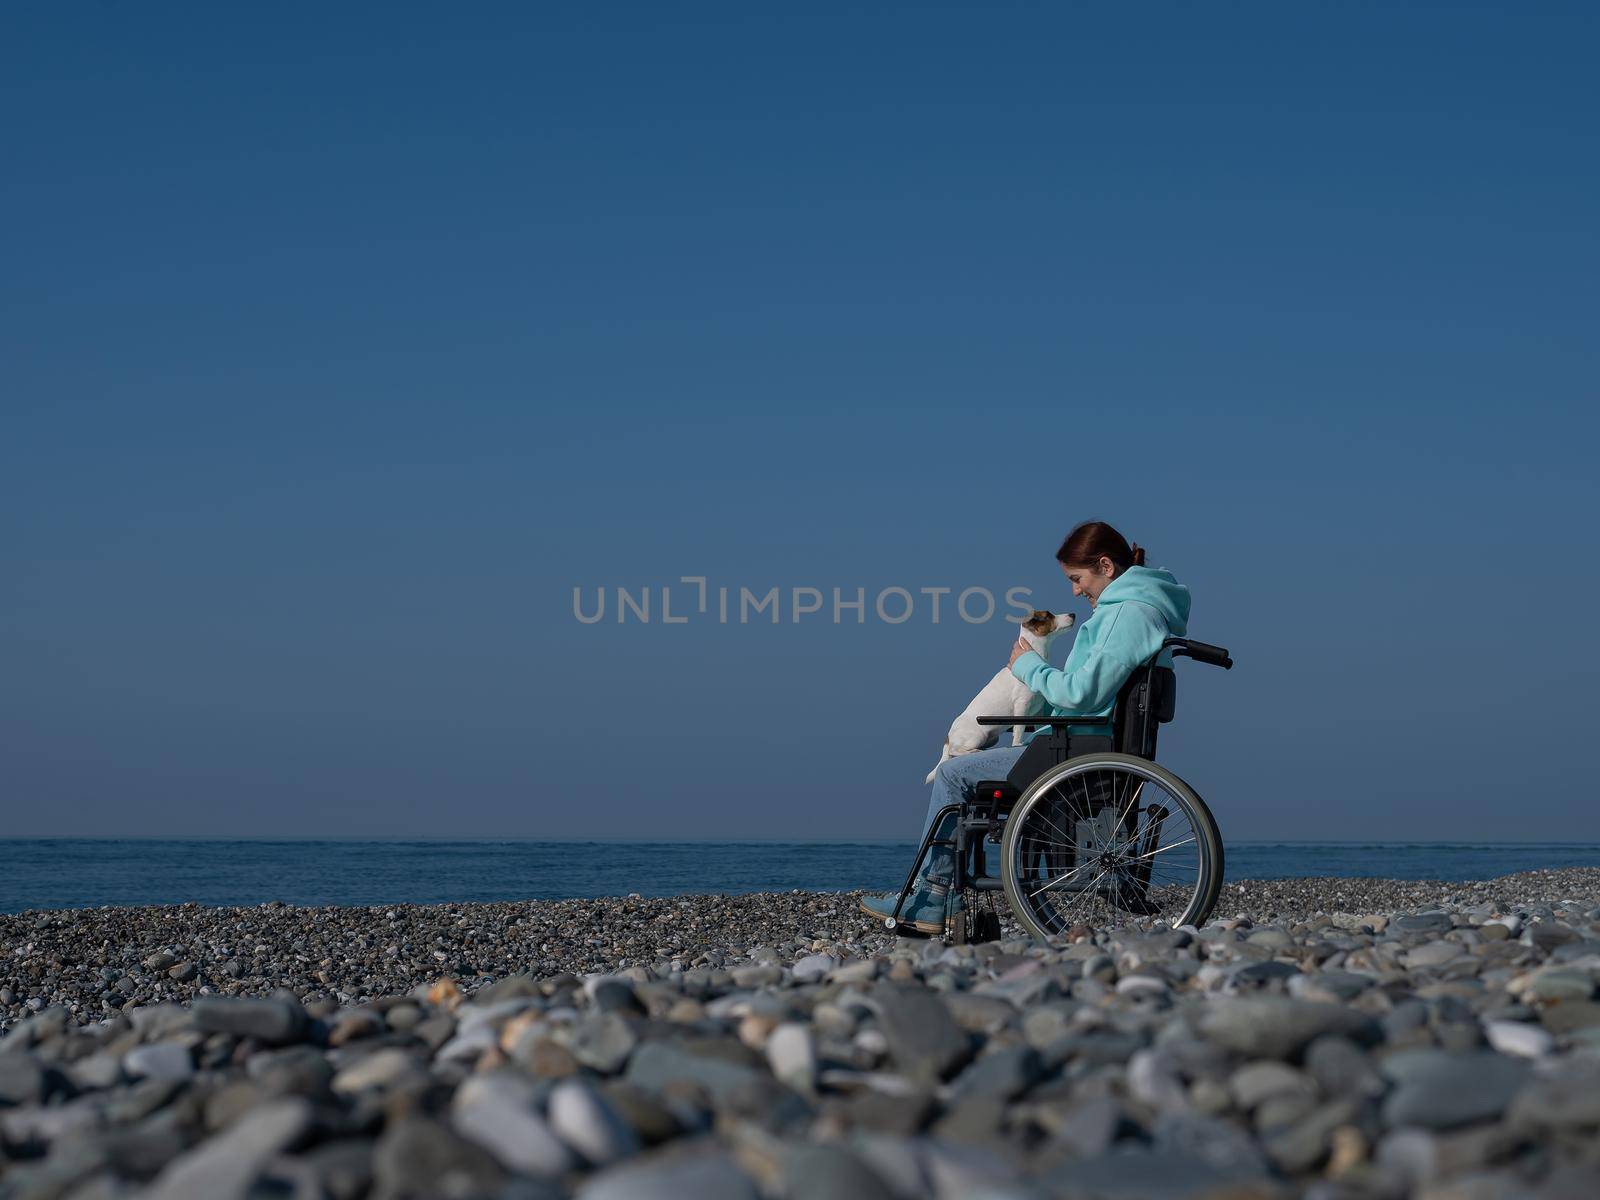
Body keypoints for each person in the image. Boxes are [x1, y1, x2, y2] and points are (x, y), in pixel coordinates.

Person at [861, 520, 1192, 934]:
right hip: (1083, 744)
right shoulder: (1139, 608)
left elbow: (1081, 693)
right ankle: (941, 893)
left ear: (1105, 566)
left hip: (1077, 751)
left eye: (1077, 578)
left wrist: (1027, 666)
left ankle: (932, 896)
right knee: (971, 765)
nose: (1074, 590)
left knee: (951, 773)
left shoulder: (1128, 615)